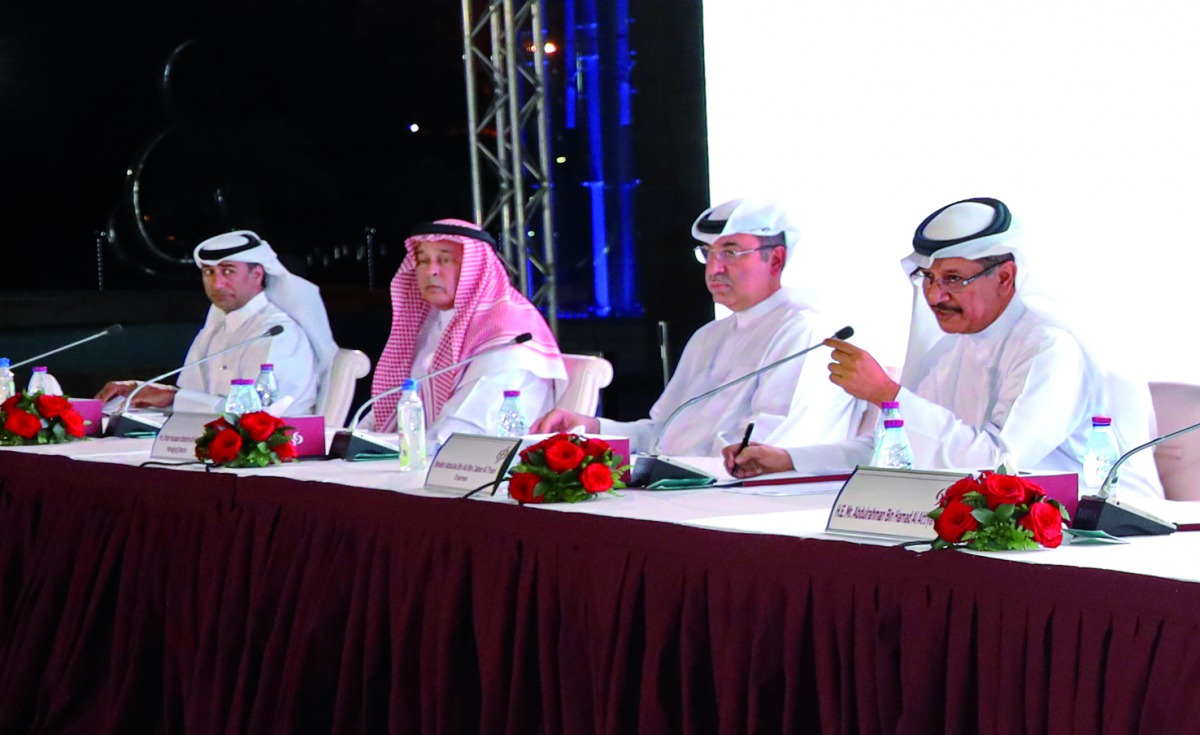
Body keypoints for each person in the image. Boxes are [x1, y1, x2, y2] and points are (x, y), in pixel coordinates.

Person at [725, 197, 1164, 499]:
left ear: (1006, 277)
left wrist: (888, 395)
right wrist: (787, 460)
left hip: (1102, 534)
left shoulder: (1050, 347)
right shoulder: (952, 345)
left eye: (953, 278)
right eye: (929, 279)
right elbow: (899, 451)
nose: (935, 296)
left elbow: (1001, 469)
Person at [533, 198, 862, 457]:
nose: (715, 268)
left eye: (731, 252)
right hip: (688, 489)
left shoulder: (804, 332)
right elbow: (663, 433)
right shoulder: (710, 336)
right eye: (708, 253)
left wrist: (671, 472)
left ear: (776, 260)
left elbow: (767, 449)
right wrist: (590, 428)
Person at [368, 219, 567, 447]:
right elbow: (397, 402)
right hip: (427, 454)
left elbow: (466, 428)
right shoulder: (433, 321)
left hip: (485, 464)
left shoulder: (506, 328)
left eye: (445, 260)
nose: (431, 271)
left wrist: (389, 447)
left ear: (476, 268)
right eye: (423, 260)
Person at [96, 231, 336, 416]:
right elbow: (192, 400)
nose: (217, 283)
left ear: (257, 275)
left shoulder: (278, 332)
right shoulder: (217, 327)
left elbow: (258, 416)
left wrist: (172, 397)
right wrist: (137, 392)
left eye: (228, 271)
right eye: (209, 272)